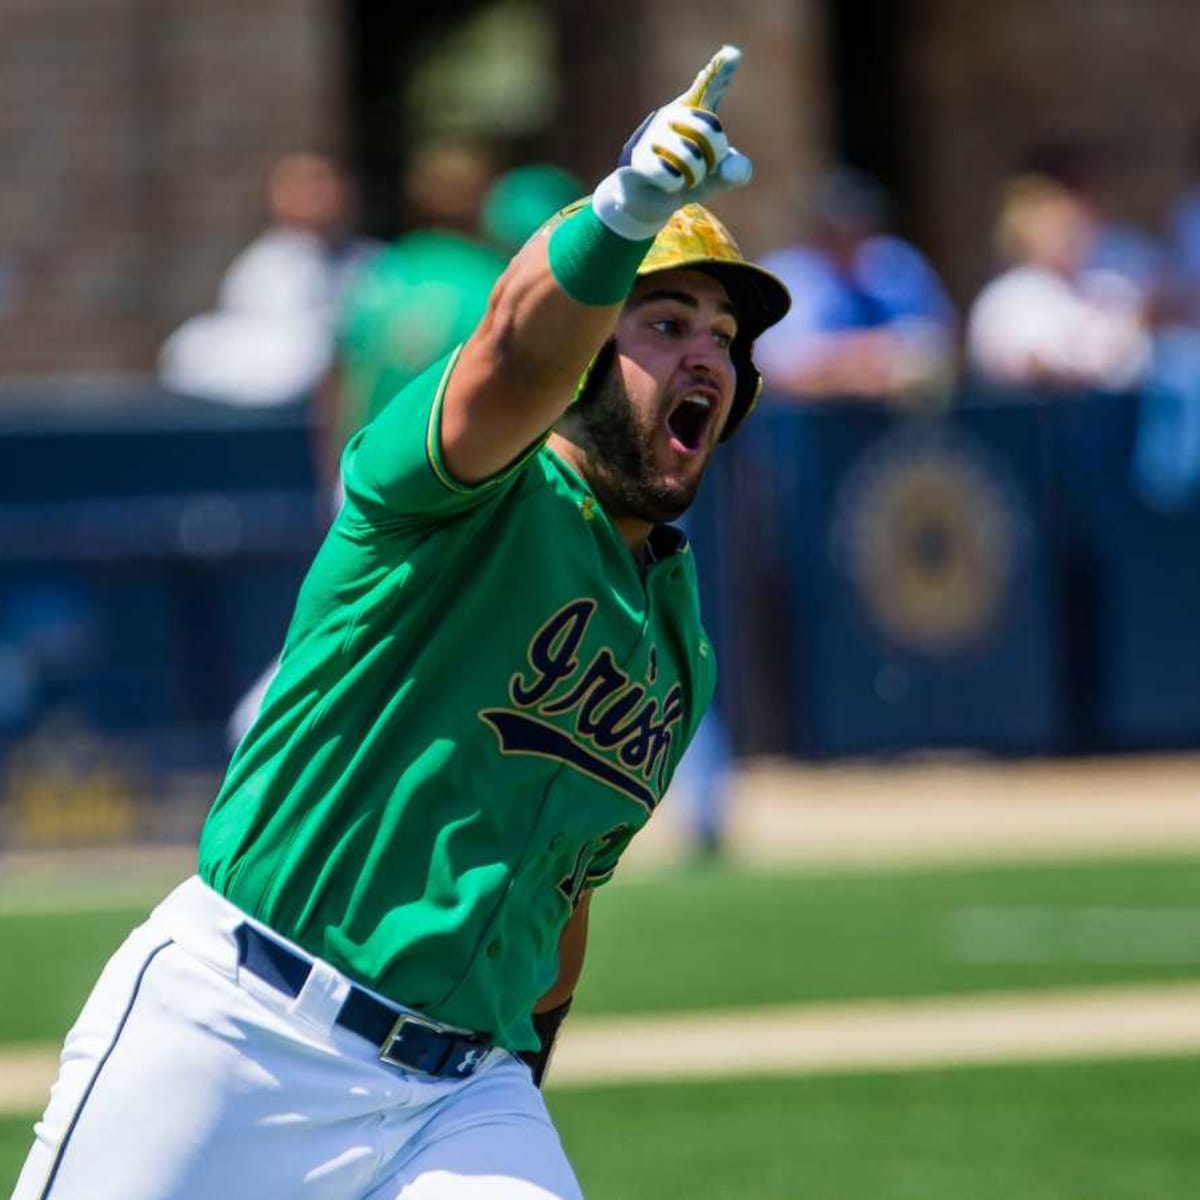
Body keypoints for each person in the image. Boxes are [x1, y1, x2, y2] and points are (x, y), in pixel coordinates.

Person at [15, 45, 789, 1200]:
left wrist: (520, 1073)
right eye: (667, 322)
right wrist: (623, 211)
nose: (709, 355)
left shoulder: (675, 636)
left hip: (455, 1096)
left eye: (726, 339)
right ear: (587, 352)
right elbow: (513, 355)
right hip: (236, 1032)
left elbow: (564, 896)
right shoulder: (464, 487)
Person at [158, 151, 382, 407]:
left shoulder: (379, 263)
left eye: (324, 183)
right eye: (303, 186)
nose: (317, 195)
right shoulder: (260, 270)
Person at [752, 165, 957, 405]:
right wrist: (878, 358)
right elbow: (781, 367)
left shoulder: (896, 263)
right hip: (806, 428)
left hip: (891, 425)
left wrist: (845, 361)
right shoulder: (787, 274)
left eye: (860, 227)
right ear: (817, 229)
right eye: (837, 230)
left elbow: (939, 346)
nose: (850, 238)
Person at [965, 173, 1151, 391]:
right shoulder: (1007, 295)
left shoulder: (1098, 287)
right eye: (1058, 230)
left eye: (1074, 228)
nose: (1070, 238)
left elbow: (1132, 354)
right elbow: (1025, 363)